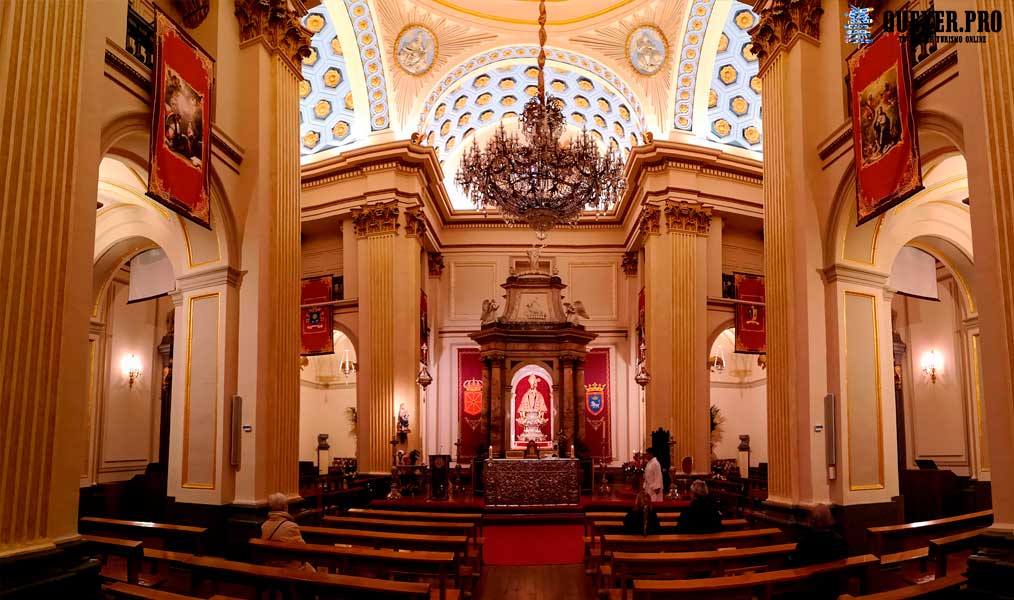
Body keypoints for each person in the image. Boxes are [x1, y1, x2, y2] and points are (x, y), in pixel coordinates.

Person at [261, 493, 308, 569]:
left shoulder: (264, 526)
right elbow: (302, 549)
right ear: (285, 507)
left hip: (270, 566)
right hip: (289, 566)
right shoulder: (291, 526)